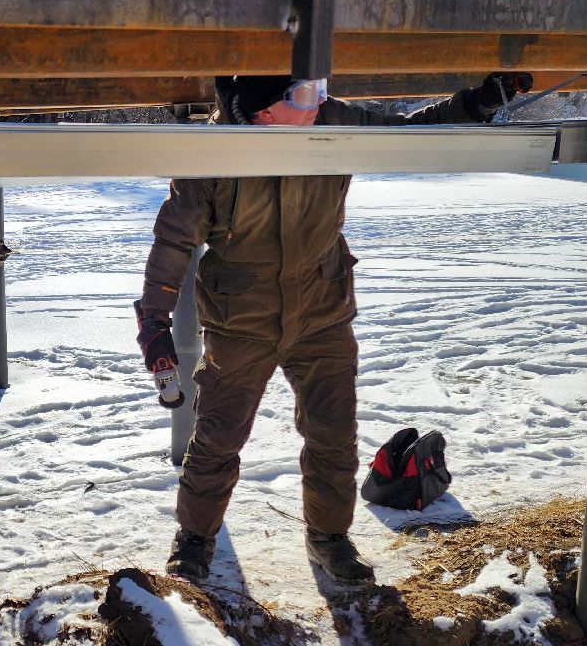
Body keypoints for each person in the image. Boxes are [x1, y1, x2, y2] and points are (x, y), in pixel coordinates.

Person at [137, 72, 530, 585]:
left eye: (319, 90)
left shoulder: (332, 120)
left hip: (322, 309)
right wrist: (154, 322)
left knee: (333, 432)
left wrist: (475, 104)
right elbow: (173, 244)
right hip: (242, 319)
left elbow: (409, 137)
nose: (318, 103)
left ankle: (329, 537)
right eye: (303, 95)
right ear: (263, 111)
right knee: (219, 436)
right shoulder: (216, 153)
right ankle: (194, 539)